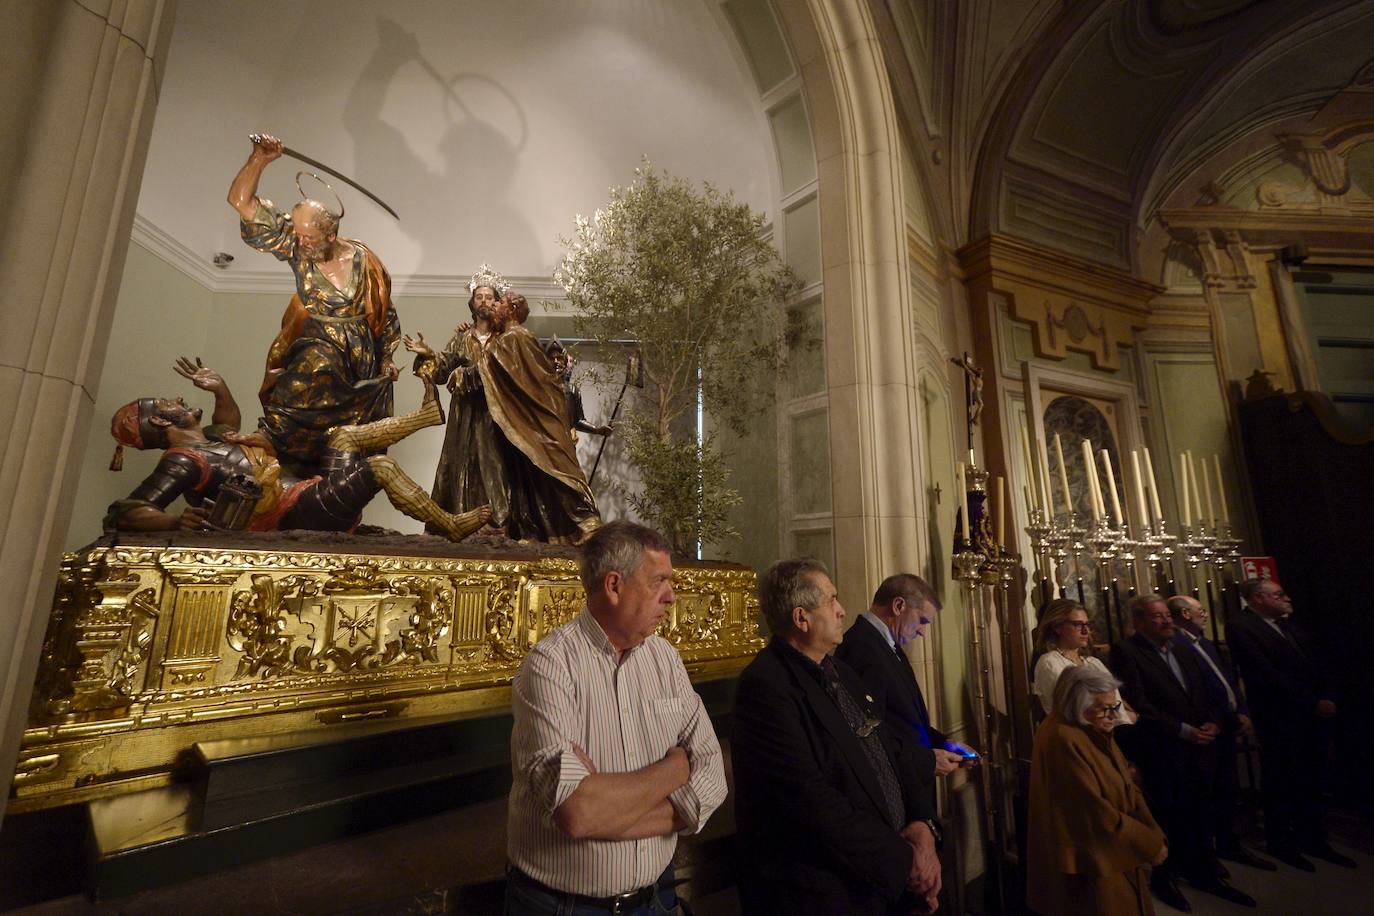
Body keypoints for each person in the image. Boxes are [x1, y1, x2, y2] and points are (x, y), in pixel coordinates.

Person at [505, 521, 726, 915]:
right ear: (613, 586)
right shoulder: (551, 666)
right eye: (658, 582)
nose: (671, 597)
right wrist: (674, 769)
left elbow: (713, 776)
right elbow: (579, 812)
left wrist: (610, 810)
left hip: (656, 899)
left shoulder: (665, 660)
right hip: (567, 907)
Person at [732, 558, 942, 915]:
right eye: (832, 600)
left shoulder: (839, 670)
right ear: (802, 618)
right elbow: (809, 799)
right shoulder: (766, 687)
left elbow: (886, 750)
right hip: (823, 892)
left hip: (877, 877)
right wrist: (904, 859)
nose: (843, 610)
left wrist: (922, 825)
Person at [104, 360, 488, 541]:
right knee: (381, 467)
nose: (177, 398)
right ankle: (450, 525)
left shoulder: (211, 440)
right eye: (167, 403)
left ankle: (425, 416)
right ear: (159, 422)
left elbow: (229, 422)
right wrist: (174, 522)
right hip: (295, 513)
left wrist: (220, 389)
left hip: (308, 495)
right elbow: (129, 510)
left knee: (343, 436)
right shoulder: (184, 461)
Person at [227, 133, 401, 477]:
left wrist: (387, 357)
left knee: (349, 433)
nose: (301, 242)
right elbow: (240, 201)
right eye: (299, 234)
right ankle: (273, 439)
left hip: (358, 354)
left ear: (331, 236)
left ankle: (335, 476)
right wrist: (259, 159)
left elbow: (384, 310)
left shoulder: (363, 260)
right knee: (301, 378)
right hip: (315, 341)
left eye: (310, 237)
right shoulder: (296, 245)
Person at [1109, 595, 1255, 911]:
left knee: (1202, 812)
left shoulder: (1184, 648)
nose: (1167, 621)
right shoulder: (1127, 651)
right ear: (1139, 622)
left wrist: (1214, 723)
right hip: (1163, 748)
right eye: (1158, 617)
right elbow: (1137, 703)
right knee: (1169, 816)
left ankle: (1203, 871)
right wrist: (1184, 730)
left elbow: (1206, 690)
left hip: (1201, 746)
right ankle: (1166, 878)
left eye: (1167, 615)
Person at [1227, 579, 1355, 870]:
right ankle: (1282, 840)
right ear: (1258, 598)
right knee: (1283, 778)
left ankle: (1313, 836)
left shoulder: (1288, 625)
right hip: (1280, 717)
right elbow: (1264, 673)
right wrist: (1311, 702)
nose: (1286, 598)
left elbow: (1314, 664)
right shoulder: (1242, 625)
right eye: (1278, 594)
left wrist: (1326, 696)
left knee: (1312, 776)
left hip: (1312, 715)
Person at [1027, 665, 1167, 916]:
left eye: (1116, 707)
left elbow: (1126, 783)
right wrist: (1150, 844)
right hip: (1093, 861)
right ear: (1077, 705)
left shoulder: (1094, 727)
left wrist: (1152, 830)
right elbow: (1094, 811)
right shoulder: (1063, 738)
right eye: (1106, 708)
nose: (1114, 716)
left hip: (1115, 850)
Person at [834, 574, 977, 792]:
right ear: (898, 606)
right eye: (922, 620)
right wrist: (926, 761)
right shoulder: (862, 647)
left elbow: (902, 719)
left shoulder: (886, 644)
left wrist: (943, 742)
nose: (922, 631)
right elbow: (868, 734)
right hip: (896, 789)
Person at [1167, 595, 1274, 872]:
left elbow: (1225, 679)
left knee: (1228, 787)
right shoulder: (1177, 645)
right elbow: (1197, 687)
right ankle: (1207, 851)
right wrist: (1219, 717)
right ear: (1185, 615)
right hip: (1206, 726)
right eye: (1200, 610)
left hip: (1226, 721)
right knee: (1206, 791)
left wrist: (1242, 710)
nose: (1205, 614)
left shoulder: (1203, 642)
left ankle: (1229, 841)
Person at [404, 268, 510, 534]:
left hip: (497, 415)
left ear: (497, 303)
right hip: (465, 414)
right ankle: (460, 518)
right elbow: (442, 371)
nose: (484, 301)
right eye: (479, 297)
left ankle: (498, 521)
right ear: (472, 304)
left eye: (489, 297)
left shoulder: (506, 339)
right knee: (462, 461)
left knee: (496, 464)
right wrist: (428, 353)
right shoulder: (462, 338)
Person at [1033, 599, 1117, 717]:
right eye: (1078, 625)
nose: (1085, 631)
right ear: (1057, 627)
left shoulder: (1093, 663)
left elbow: (1117, 704)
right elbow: (1063, 710)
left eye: (1087, 624)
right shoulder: (1050, 663)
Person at [545, 340, 613, 441]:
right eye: (551, 359)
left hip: (566, 442)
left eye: (559, 358)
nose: (555, 362)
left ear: (564, 361)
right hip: (545, 441)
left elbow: (578, 421)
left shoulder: (572, 390)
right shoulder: (539, 388)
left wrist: (597, 430)